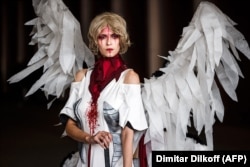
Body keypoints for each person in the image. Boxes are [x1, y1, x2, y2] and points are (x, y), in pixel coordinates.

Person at [59, 12, 148, 167]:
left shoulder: (129, 78)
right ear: (95, 41)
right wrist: (89, 138)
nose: (109, 42)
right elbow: (69, 125)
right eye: (102, 37)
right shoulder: (81, 78)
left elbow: (128, 132)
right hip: (83, 162)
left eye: (114, 36)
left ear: (121, 40)